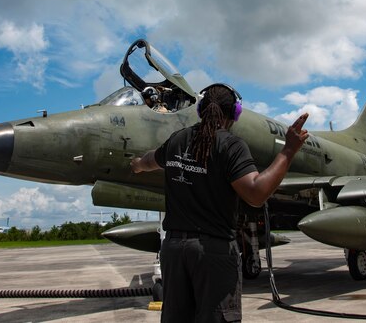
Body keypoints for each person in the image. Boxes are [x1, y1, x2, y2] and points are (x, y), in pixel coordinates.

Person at [131, 83, 308, 323]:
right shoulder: (231, 146)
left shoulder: (177, 140)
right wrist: (288, 150)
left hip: (173, 252)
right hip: (212, 252)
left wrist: (139, 164)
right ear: (235, 113)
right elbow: (256, 194)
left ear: (200, 109)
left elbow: (152, 159)